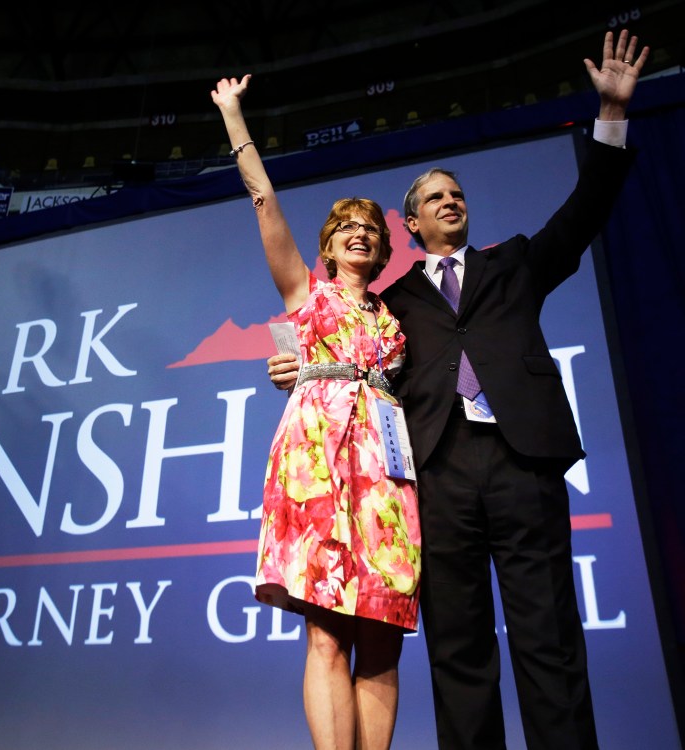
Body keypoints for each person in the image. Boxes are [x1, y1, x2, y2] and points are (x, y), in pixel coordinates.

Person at [266, 28, 648, 750]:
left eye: (457, 194)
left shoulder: (517, 265)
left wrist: (612, 116)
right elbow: (318, 326)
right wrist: (286, 364)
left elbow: (590, 205)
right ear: (408, 224)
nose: (450, 201)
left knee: (549, 639)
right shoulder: (395, 299)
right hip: (436, 475)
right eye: (434, 196)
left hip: (522, 464)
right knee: (459, 650)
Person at [212, 74, 422, 750]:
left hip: (387, 480)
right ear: (329, 247)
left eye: (370, 230)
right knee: (327, 630)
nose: (360, 235)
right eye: (346, 229)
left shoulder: (397, 318)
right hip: (318, 466)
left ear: (384, 251)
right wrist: (234, 117)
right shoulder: (307, 294)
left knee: (384, 635)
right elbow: (264, 202)